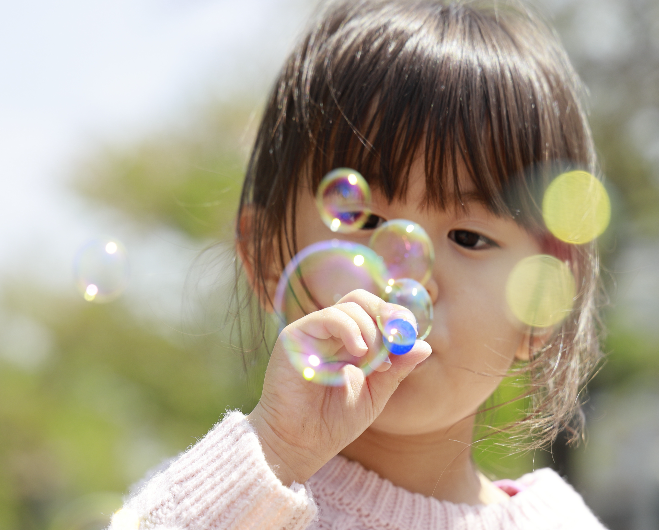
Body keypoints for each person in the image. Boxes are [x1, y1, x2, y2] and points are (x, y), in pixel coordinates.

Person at [110, 0, 606, 528]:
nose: (408, 275)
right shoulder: (234, 498)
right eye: (364, 220)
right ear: (269, 259)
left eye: (469, 236)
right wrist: (278, 448)